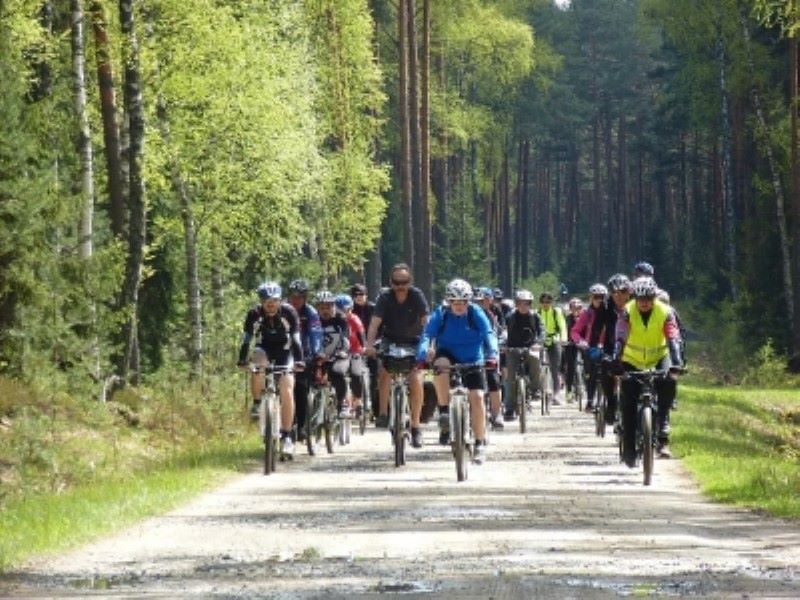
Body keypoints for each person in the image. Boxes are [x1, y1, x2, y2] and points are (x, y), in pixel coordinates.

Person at [416, 279, 498, 464]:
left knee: (477, 397)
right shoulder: (442, 313)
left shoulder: (476, 313)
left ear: (469, 301)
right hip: (448, 353)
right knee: (441, 365)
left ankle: (479, 443)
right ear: (449, 302)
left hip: (473, 358)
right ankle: (444, 410)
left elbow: (488, 333)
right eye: (455, 302)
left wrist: (492, 355)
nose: (459, 306)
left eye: (463, 302)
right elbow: (427, 334)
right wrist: (422, 355)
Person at [613, 276, 683, 464]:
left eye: (648, 299)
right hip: (632, 360)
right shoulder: (627, 312)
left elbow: (673, 338)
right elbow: (620, 336)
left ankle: (662, 425)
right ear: (634, 298)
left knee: (669, 381)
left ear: (654, 297)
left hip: (660, 357)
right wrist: (616, 359)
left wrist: (677, 363)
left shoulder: (665, 312)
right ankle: (629, 448)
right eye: (640, 299)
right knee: (628, 403)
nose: (644, 303)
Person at [365, 263, 430, 447]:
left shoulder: (417, 295)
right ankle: (384, 413)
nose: (401, 286)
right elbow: (374, 324)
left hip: (414, 340)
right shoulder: (384, 297)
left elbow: (427, 322)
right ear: (391, 283)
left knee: (416, 378)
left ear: (410, 282)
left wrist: (430, 345)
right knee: (384, 370)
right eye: (397, 282)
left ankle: (416, 426)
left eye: (405, 282)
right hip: (390, 339)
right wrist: (369, 345)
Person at [237, 281, 304, 457]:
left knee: (287, 388)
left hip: (285, 350)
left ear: (280, 300)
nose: (271, 304)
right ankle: (258, 403)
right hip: (264, 348)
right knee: (257, 366)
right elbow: (247, 339)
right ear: (261, 302)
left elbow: (296, 339)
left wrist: (299, 361)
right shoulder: (254, 314)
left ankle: (287, 436)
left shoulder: (289, 312)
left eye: (274, 300)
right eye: (267, 301)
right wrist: (242, 359)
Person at [594, 273, 632, 425]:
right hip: (612, 347)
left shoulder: (635, 306)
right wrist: (594, 346)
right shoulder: (605, 307)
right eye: (614, 292)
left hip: (633, 349)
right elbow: (596, 328)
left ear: (629, 292)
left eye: (623, 291)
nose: (619, 296)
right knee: (605, 368)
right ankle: (611, 403)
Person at [287, 279, 322, 441]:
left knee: (301, 389)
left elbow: (315, 335)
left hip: (304, 354)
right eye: (293, 297)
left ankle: (301, 426)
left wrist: (315, 353)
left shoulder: (311, 313)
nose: (295, 301)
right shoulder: (283, 309)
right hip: (285, 353)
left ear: (305, 298)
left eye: (299, 297)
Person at [503, 289, 544, 421]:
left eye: (526, 303)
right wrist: (503, 344)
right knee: (510, 377)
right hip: (512, 349)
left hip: (530, 348)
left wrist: (538, 343)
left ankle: (535, 389)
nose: (523, 306)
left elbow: (542, 332)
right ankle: (509, 408)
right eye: (521, 303)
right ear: (516, 303)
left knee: (535, 359)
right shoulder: (510, 317)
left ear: (530, 304)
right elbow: (503, 331)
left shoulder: (535, 316)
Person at [314, 290, 352, 417]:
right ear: (317, 308)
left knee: (338, 372)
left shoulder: (340, 319)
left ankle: (343, 404)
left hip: (338, 355)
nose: (325, 311)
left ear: (333, 307)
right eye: (322, 307)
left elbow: (346, 337)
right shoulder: (314, 320)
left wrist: (343, 351)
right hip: (319, 356)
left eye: (329, 307)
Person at [570, 285, 608, 411]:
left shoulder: (610, 312)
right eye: (596, 297)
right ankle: (590, 400)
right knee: (592, 372)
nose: (599, 300)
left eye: (601, 297)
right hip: (591, 346)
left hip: (608, 346)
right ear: (591, 298)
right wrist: (580, 342)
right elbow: (575, 331)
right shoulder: (587, 314)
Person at [475, 287, 505, 429]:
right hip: (471, 353)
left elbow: (493, 334)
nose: (481, 303)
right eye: (478, 301)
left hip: (488, 350)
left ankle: (496, 413)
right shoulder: (467, 314)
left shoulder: (490, 315)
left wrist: (493, 352)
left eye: (484, 300)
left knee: (493, 378)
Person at [336, 293, 368, 418]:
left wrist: (364, 347)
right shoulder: (335, 319)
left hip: (355, 350)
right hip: (339, 352)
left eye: (347, 310)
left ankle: (359, 400)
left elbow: (361, 335)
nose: (344, 313)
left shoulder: (354, 319)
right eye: (340, 310)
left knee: (356, 374)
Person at [351, 283, 378, 417]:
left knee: (375, 373)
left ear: (366, 295)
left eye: (361, 294)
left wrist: (374, 345)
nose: (359, 297)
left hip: (372, 344)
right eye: (356, 295)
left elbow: (379, 327)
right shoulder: (350, 310)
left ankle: (373, 405)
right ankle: (357, 403)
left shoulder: (373, 308)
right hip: (355, 347)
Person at [537, 291, 567, 404]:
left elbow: (562, 326)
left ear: (551, 302)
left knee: (555, 368)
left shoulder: (556, 312)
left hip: (554, 339)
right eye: (543, 302)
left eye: (548, 302)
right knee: (537, 365)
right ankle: (539, 390)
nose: (546, 304)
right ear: (540, 303)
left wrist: (563, 338)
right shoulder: (537, 313)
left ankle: (556, 393)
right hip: (541, 340)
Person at [562, 297, 585, 403]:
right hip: (570, 344)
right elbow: (564, 331)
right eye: (573, 308)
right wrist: (564, 340)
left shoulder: (585, 318)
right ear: (570, 309)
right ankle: (569, 391)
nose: (576, 310)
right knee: (570, 367)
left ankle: (586, 387)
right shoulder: (568, 319)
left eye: (578, 308)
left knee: (589, 363)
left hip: (583, 344)